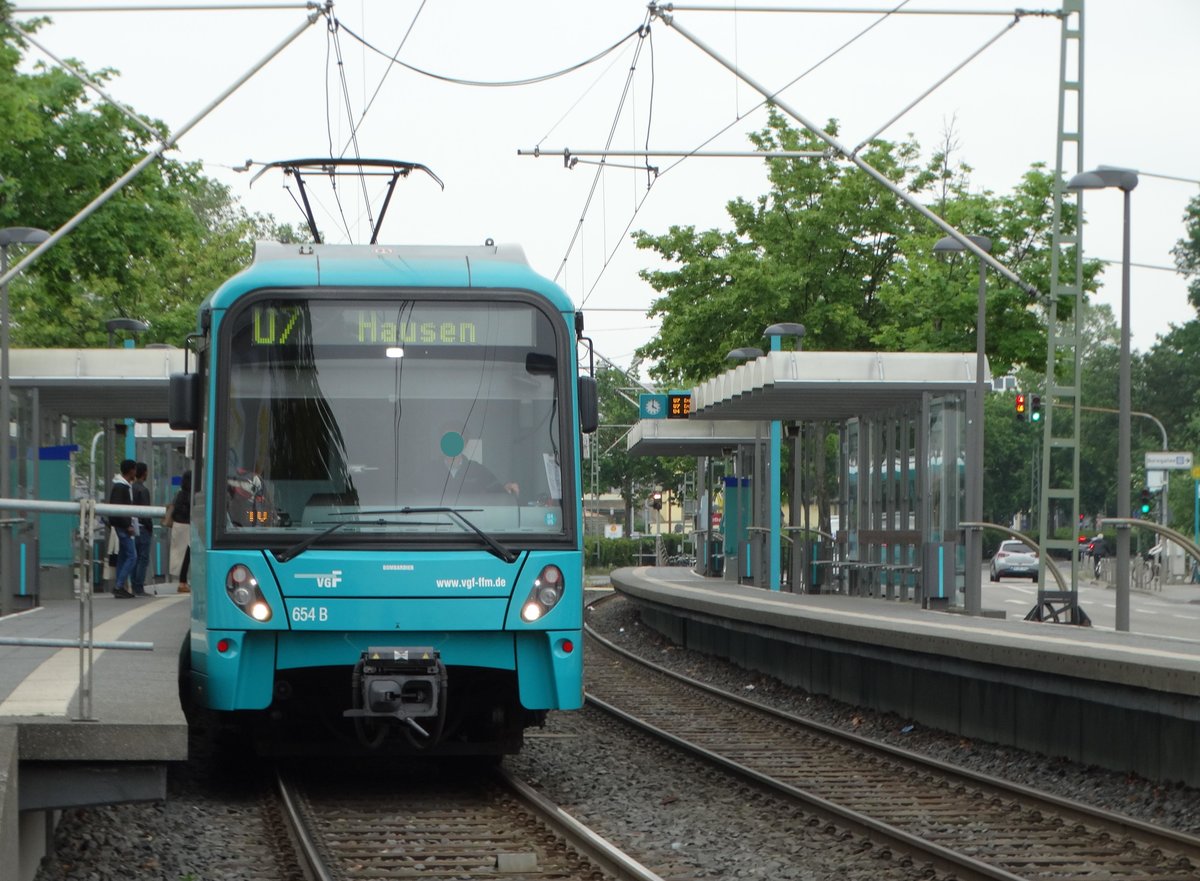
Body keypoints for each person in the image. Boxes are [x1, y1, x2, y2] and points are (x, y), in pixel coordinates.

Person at [421, 426, 518, 502]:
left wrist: (507, 490)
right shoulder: (427, 471)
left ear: (465, 443)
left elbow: (497, 493)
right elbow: (410, 495)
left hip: (470, 525)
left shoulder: (478, 471)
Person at [108, 459, 139, 599]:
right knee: (132, 556)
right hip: (123, 526)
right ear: (131, 470)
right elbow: (120, 509)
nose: (136, 473)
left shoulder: (121, 486)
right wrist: (127, 525)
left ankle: (119, 586)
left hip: (120, 525)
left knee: (123, 556)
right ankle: (119, 586)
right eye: (135, 469)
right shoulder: (121, 487)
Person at [131, 462, 153, 596]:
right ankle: (139, 586)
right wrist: (149, 526)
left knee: (135, 557)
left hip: (133, 526)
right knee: (143, 558)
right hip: (143, 528)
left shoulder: (131, 488)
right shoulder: (143, 490)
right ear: (144, 473)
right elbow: (146, 512)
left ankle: (134, 584)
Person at [169, 471, 192, 594]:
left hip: (178, 526)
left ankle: (182, 582)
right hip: (186, 527)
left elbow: (175, 511)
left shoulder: (179, 494)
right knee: (185, 556)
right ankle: (182, 582)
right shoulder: (189, 495)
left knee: (180, 554)